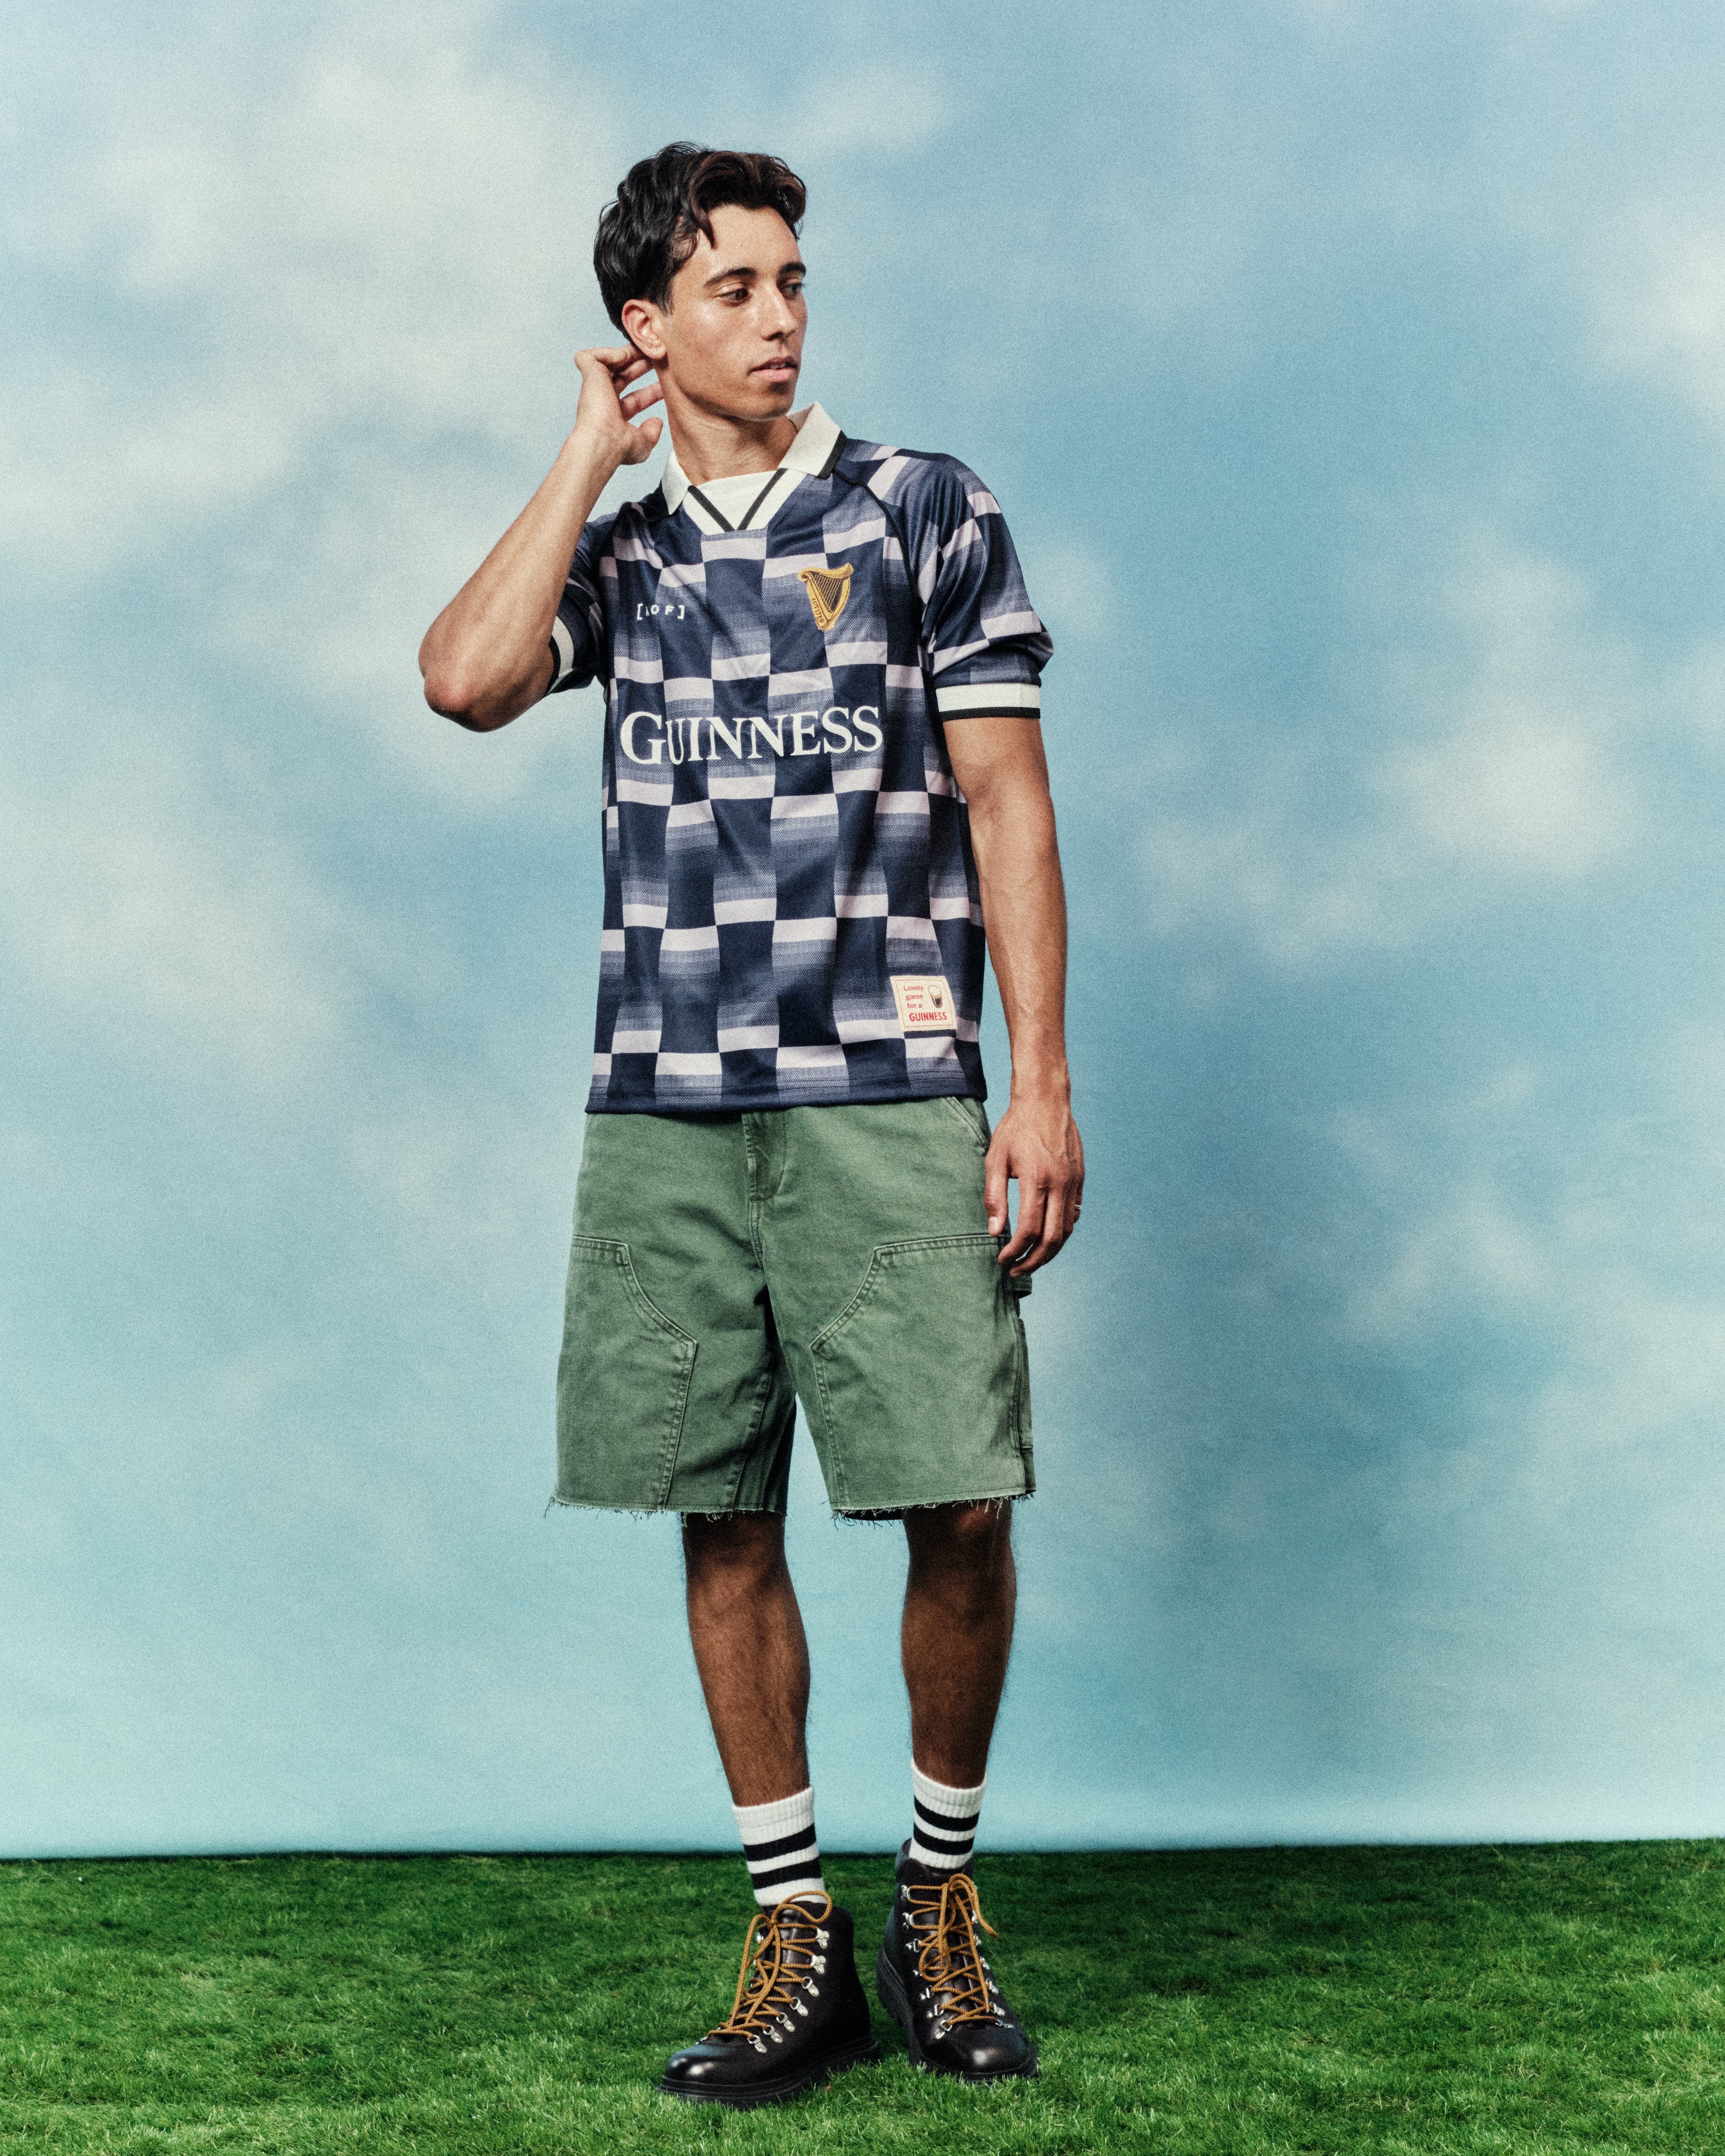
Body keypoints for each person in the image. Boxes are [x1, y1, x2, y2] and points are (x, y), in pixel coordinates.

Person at [419, 141, 1083, 2111]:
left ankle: (937, 1902)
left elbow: (1008, 803)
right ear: (647, 325)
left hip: (891, 1087)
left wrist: (1039, 1082)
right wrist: (585, 456)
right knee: (720, 1510)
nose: (781, 316)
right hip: (670, 1103)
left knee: (959, 1503)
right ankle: (794, 1931)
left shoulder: (923, 510)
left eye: (794, 281)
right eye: (733, 287)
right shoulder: (618, 556)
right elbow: (462, 680)